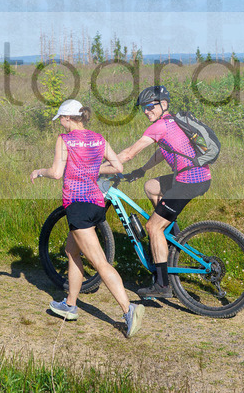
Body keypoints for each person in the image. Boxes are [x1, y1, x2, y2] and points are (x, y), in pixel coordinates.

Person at [30, 99, 145, 338]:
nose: (60, 123)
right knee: (72, 251)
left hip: (77, 206)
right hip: (95, 204)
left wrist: (39, 172)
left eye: (61, 118)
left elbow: (56, 173)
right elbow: (118, 167)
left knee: (100, 263)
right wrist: (93, 169)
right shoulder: (98, 138)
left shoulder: (65, 140)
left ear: (70, 118)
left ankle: (128, 309)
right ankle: (70, 305)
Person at [100, 85, 211, 299]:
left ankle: (162, 284)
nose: (146, 111)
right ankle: (173, 238)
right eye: (143, 107)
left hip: (188, 180)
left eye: (150, 106)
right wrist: (142, 171)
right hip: (199, 176)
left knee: (152, 227)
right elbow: (163, 152)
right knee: (151, 187)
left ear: (164, 105)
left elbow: (129, 153)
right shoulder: (173, 122)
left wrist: (96, 168)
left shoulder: (158, 127)